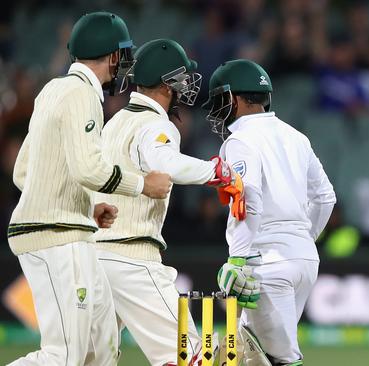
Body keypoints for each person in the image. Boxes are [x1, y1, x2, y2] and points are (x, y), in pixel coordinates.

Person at [7, 12, 172, 365]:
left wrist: (83, 205)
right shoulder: (83, 93)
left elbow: (24, 170)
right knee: (64, 355)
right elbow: (89, 168)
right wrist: (143, 185)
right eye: (123, 55)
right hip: (57, 237)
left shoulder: (52, 90)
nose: (124, 65)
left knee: (102, 350)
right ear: (114, 56)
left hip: (66, 232)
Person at [92, 38, 247, 366]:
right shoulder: (155, 124)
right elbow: (167, 163)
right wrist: (216, 172)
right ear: (166, 83)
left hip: (95, 258)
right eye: (181, 78)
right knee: (193, 356)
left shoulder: (116, 121)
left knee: (90, 360)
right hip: (132, 258)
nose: (186, 86)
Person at [203, 59, 336, 365]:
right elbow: (326, 198)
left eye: (220, 100)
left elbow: (247, 199)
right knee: (244, 356)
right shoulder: (296, 137)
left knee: (279, 358)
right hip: (304, 261)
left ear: (233, 99)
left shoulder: (239, 140)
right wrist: (302, 239)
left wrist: (237, 259)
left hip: (265, 264)